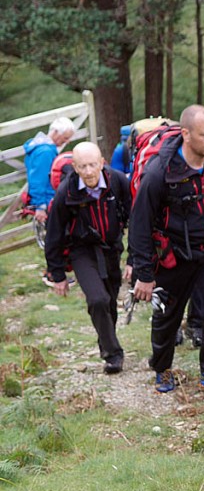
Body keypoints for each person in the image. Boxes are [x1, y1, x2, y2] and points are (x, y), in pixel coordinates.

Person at [130, 105, 204, 394]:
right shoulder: (158, 173)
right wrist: (144, 273)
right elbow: (140, 225)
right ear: (186, 134)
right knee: (167, 314)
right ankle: (162, 367)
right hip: (173, 252)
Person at [43, 142, 131, 374]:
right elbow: (53, 235)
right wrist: (58, 274)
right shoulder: (66, 192)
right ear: (75, 167)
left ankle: (106, 340)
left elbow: (137, 220)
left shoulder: (118, 181)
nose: (89, 171)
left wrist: (135, 259)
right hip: (81, 251)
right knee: (97, 300)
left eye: (93, 165)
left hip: (111, 248)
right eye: (83, 166)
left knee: (110, 301)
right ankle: (113, 355)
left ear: (102, 163)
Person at [23, 117, 76, 224]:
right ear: (55, 132)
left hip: (48, 198)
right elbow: (38, 180)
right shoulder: (45, 152)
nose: (67, 141)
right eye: (65, 138)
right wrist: (40, 206)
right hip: (47, 200)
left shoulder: (41, 147)